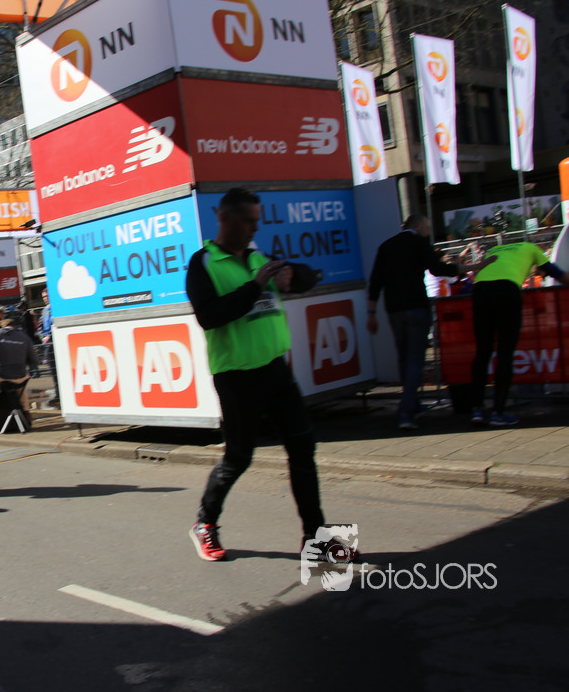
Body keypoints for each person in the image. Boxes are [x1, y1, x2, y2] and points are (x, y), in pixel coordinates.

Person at [185, 187, 350, 563]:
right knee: (238, 458)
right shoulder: (203, 263)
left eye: (256, 222)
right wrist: (256, 285)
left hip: (276, 370)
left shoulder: (260, 257)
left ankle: (316, 539)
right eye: (247, 221)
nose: (253, 229)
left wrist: (293, 274)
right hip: (236, 376)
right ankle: (205, 522)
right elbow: (209, 316)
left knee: (303, 450)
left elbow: (306, 277)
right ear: (224, 218)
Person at [366, 214, 459, 430]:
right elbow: (437, 269)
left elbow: (376, 282)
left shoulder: (386, 246)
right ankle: (406, 411)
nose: (428, 231)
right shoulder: (419, 242)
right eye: (427, 226)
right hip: (416, 306)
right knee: (416, 360)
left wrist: (371, 313)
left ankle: (413, 404)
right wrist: (474, 266)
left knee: (404, 358)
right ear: (417, 225)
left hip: (394, 309)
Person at [469, 240, 569, 427]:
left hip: (481, 290)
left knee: (483, 351)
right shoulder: (531, 248)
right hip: (507, 290)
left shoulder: (495, 249)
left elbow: (479, 272)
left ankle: (477, 411)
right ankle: (498, 413)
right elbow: (556, 273)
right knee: (505, 352)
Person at [39, 288, 60, 406]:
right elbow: (40, 327)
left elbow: (57, 323)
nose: (45, 298)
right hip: (48, 345)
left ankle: (61, 393)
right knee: (53, 371)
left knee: (59, 370)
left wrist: (50, 336)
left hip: (56, 342)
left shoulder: (56, 307)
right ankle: (58, 393)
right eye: (44, 297)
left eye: (47, 296)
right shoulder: (44, 310)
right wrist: (43, 336)